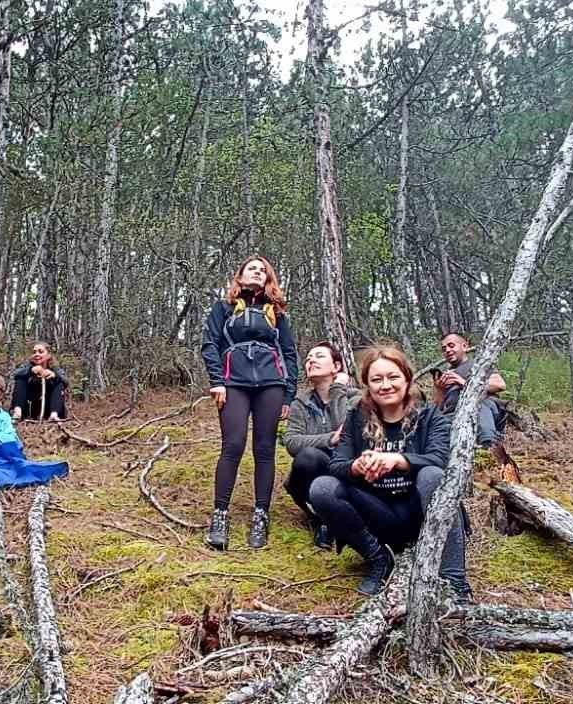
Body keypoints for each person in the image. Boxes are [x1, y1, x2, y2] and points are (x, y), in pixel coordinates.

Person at [309, 345, 473, 598]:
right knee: (322, 488)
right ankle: (379, 559)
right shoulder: (357, 418)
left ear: (407, 379)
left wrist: (398, 460)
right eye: (376, 379)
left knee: (432, 476)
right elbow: (336, 464)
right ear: (368, 386)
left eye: (393, 377)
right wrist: (357, 466)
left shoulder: (429, 417)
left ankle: (454, 580)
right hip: (380, 513)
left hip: (420, 513)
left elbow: (441, 460)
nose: (385, 385)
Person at [200, 255, 299, 551]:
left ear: (269, 280)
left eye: (263, 270)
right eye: (251, 269)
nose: (257, 272)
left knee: (265, 449)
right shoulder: (223, 308)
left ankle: (261, 515)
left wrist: (289, 394)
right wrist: (217, 380)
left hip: (271, 384)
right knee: (233, 444)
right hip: (233, 383)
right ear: (240, 277)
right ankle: (220, 516)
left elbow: (289, 354)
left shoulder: (277, 314)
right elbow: (210, 344)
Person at [281, 341, 360, 549]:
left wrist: (337, 390)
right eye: (308, 358)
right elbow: (291, 442)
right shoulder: (300, 402)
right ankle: (321, 520)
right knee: (308, 457)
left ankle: (341, 518)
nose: (311, 360)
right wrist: (330, 438)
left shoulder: (356, 398)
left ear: (336, 367)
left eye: (318, 356)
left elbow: (348, 435)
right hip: (310, 476)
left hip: (347, 474)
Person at [430, 332, 507, 448]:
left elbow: (500, 385)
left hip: (483, 410)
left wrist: (464, 383)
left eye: (451, 346)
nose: (447, 350)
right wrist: (440, 389)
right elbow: (438, 408)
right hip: (454, 415)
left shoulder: (478, 365)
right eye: (444, 348)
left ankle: (489, 447)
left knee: (479, 405)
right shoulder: (444, 374)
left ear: (464, 346)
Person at [11, 342, 67, 421]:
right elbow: (15, 374)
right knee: (21, 379)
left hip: (49, 406)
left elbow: (66, 381)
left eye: (41, 352)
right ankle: (17, 412)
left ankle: (54, 415)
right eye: (34, 352)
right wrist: (30, 371)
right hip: (30, 406)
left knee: (60, 383)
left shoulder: (55, 368)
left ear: (48, 355)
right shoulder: (27, 365)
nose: (37, 354)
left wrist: (55, 376)